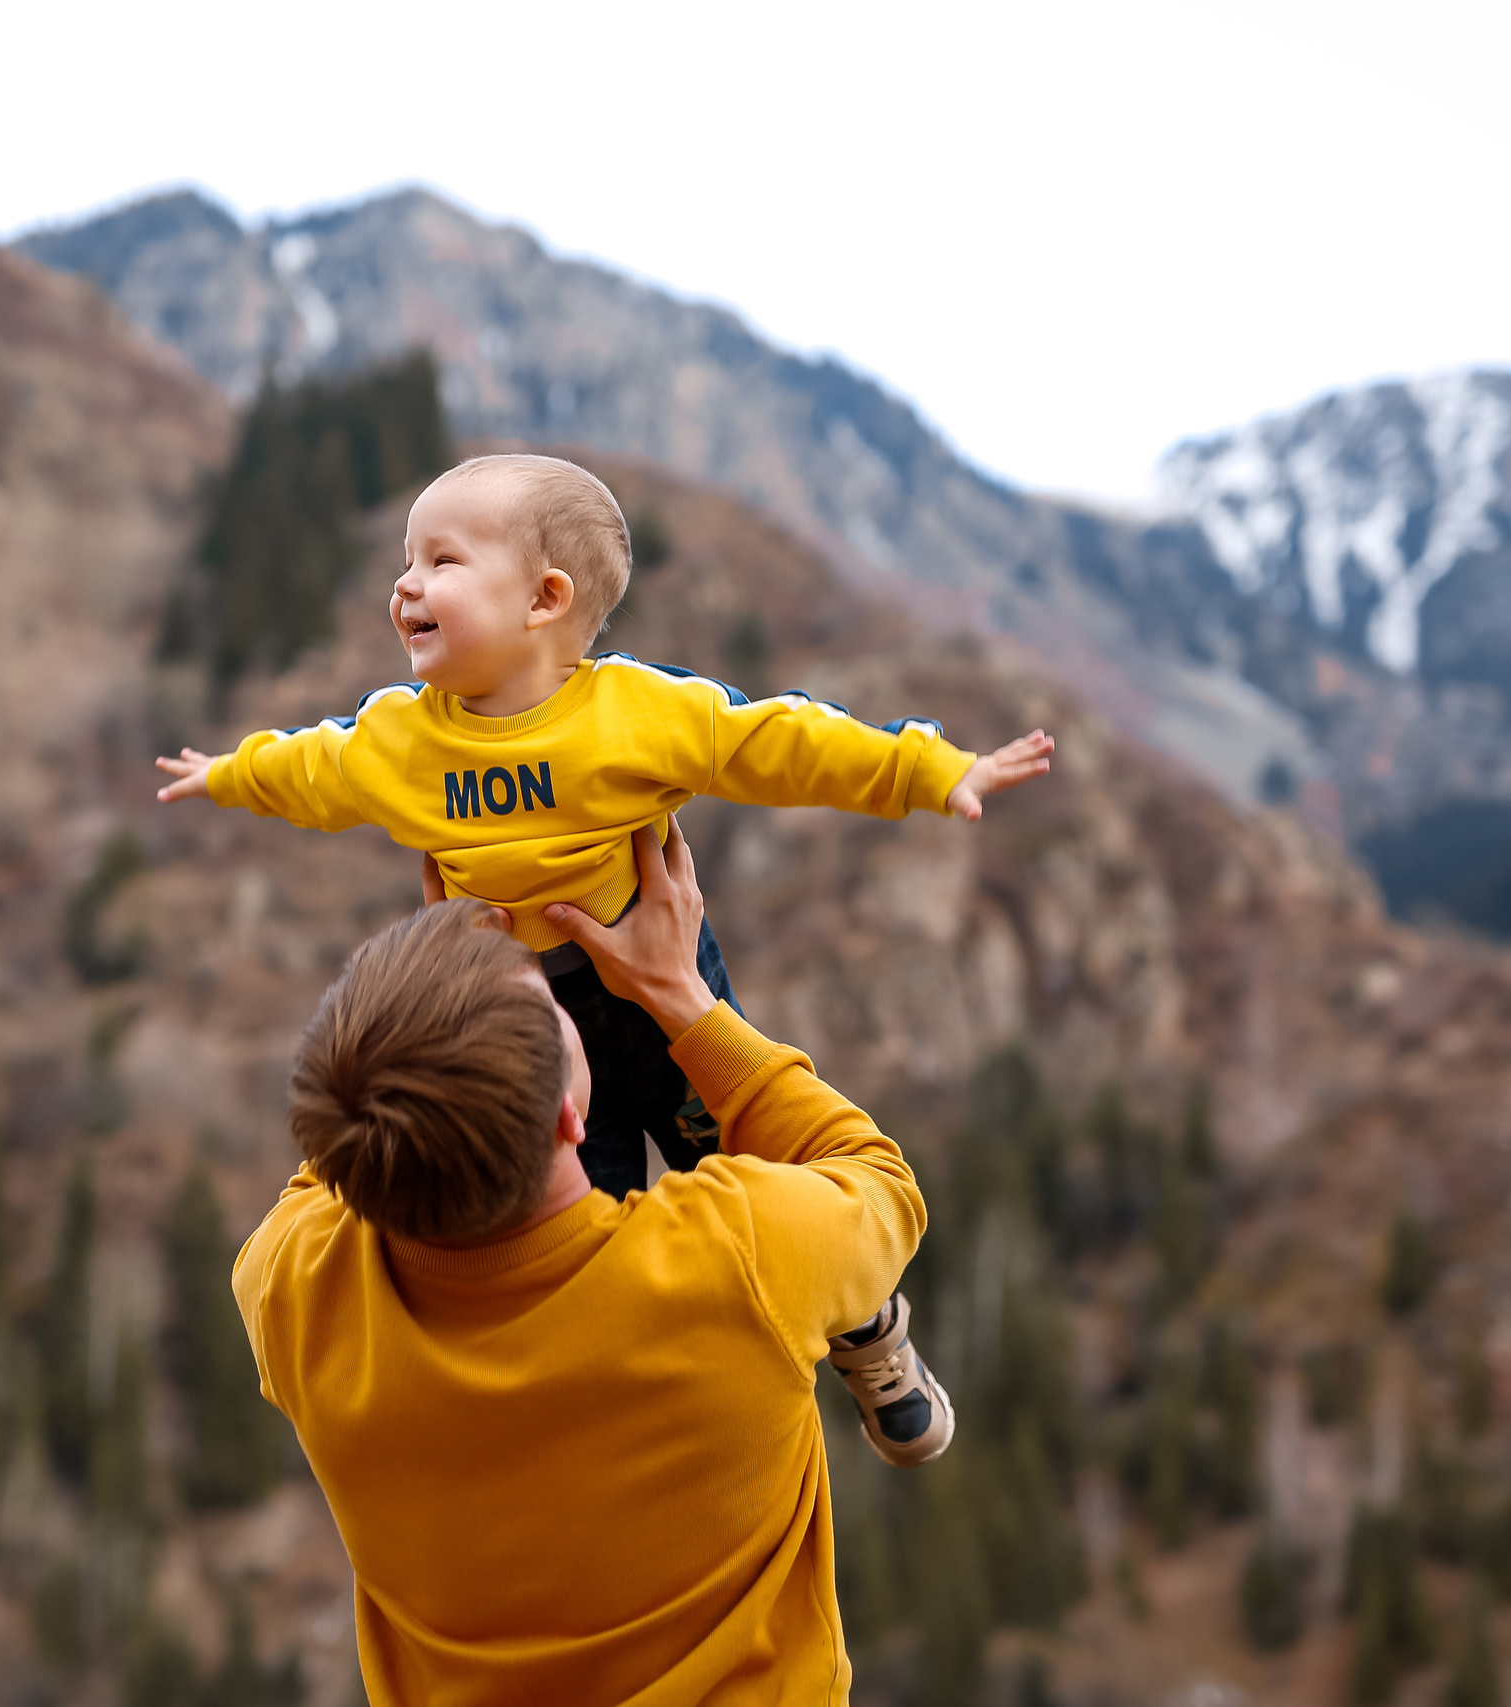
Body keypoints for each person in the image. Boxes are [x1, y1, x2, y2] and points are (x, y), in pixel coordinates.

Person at [167, 452, 1053, 1463]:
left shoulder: (635, 712)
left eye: (440, 560)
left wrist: (930, 770)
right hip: (520, 1029)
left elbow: (779, 744)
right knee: (571, 1227)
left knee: (757, 1162)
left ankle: (869, 1335)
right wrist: (228, 773)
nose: (402, 585)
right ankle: (623, 1426)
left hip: (654, 994)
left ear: (546, 599)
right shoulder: (397, 740)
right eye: (405, 563)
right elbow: (307, 767)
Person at [234, 819, 927, 1704]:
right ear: (569, 1118)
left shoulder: (296, 1294)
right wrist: (682, 996)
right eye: (558, 1012)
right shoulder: (733, 1262)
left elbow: (343, 1139)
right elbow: (875, 1179)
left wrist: (431, 994)